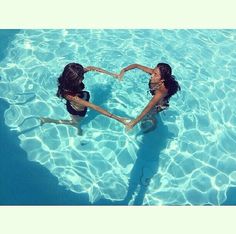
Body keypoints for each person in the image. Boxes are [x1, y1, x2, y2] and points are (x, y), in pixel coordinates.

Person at [40, 63, 127, 135]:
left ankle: (76, 126)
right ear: (73, 80)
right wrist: (120, 119)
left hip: (80, 99)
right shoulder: (70, 95)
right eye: (80, 78)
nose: (83, 78)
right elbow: (95, 107)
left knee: (78, 118)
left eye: (81, 75)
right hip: (77, 109)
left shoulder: (72, 77)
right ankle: (48, 120)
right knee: (75, 122)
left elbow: (91, 68)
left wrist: (113, 75)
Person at [118, 63, 181, 133]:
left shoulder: (162, 90)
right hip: (155, 92)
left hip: (161, 102)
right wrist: (124, 70)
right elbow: (136, 65)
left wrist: (133, 123)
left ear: (162, 80)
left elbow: (149, 106)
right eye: (153, 71)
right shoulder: (155, 73)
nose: (152, 75)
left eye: (155, 74)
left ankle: (154, 124)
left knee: (148, 116)